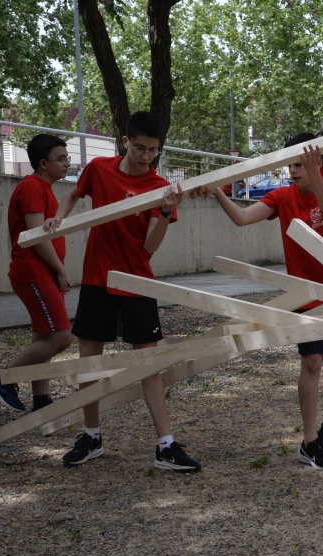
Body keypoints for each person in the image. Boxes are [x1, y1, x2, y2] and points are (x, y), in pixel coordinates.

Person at [190, 133, 323, 470]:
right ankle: (309, 443)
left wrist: (316, 170)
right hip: (303, 294)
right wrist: (218, 190)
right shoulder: (282, 196)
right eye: (290, 164)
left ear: (317, 163)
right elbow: (242, 219)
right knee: (312, 363)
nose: (293, 171)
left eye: (300, 164)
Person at [45, 111, 195, 470]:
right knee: (89, 362)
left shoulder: (160, 187)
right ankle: (92, 436)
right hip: (98, 279)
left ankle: (165, 444)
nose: (146, 157)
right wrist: (58, 217)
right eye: (140, 148)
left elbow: (148, 248)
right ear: (125, 142)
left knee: (149, 365)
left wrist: (163, 213)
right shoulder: (99, 168)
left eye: (153, 150)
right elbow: (72, 195)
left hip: (136, 282)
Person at [0, 134, 75, 413]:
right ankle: (2, 379)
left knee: (43, 338)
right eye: (61, 159)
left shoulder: (43, 187)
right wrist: (60, 271)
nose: (67, 163)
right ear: (44, 163)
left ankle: (41, 400)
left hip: (40, 272)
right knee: (61, 337)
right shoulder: (33, 187)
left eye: (67, 157)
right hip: (34, 272)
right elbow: (35, 237)